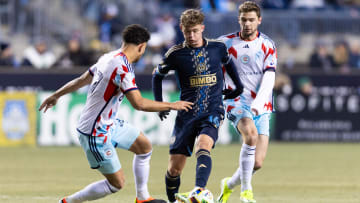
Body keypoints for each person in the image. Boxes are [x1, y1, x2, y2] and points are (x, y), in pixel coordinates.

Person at [39, 24, 193, 203]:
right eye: (144, 50)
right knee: (117, 184)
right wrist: (172, 105)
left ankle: (142, 198)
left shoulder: (108, 57)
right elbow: (139, 104)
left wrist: (56, 95)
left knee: (144, 146)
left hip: (108, 123)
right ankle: (68, 202)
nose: (143, 53)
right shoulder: (122, 68)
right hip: (95, 133)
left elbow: (82, 80)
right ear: (141, 46)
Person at [152, 9, 243, 203]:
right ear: (181, 30)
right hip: (186, 113)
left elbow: (229, 64)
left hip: (213, 109)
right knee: (174, 169)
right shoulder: (175, 54)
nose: (191, 36)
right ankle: (173, 201)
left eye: (195, 31)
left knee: (203, 145)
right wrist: (161, 104)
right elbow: (157, 76)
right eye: (187, 32)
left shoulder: (217, 48)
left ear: (202, 28)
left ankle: (199, 191)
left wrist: (238, 87)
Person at [216, 2, 277, 203]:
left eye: (251, 20)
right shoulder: (224, 44)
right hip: (236, 102)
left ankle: (228, 184)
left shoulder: (268, 45)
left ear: (259, 20)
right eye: (244, 20)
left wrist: (259, 104)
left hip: (262, 105)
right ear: (238, 20)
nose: (247, 24)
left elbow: (269, 78)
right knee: (250, 135)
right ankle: (246, 191)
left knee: (257, 163)